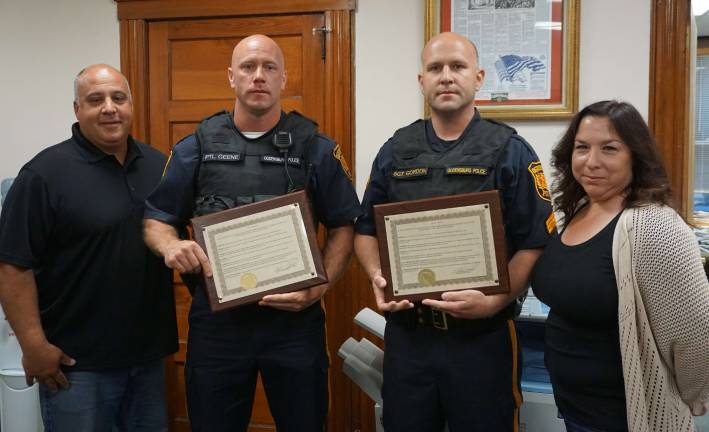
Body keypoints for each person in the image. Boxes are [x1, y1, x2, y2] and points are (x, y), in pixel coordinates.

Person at [143, 34, 361, 432]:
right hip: (217, 325)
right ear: (231, 76)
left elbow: (345, 225)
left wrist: (321, 286)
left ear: (283, 78)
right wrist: (171, 246)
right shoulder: (195, 148)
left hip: (294, 323)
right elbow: (157, 219)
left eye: (268, 67)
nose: (258, 76)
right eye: (247, 67)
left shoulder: (316, 148)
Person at [354, 32, 555, 432]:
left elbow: (535, 241)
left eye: (458, 67)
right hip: (409, 337)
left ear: (478, 77)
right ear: (421, 80)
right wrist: (378, 277)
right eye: (435, 68)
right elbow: (365, 230)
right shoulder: (395, 150)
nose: (446, 76)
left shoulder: (511, 150)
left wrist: (496, 301)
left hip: (480, 340)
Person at [0, 64, 177, 432]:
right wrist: (34, 346)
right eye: (95, 99)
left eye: (119, 98)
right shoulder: (44, 174)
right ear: (77, 109)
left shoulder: (160, 167)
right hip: (76, 367)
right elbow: (12, 266)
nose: (110, 108)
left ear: (130, 105)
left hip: (147, 360)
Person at [530, 100, 709, 432]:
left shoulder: (656, 227)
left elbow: (695, 334)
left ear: (635, 156)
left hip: (625, 416)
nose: (591, 162)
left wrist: (692, 395)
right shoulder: (578, 209)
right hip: (573, 406)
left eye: (609, 149)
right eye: (582, 147)